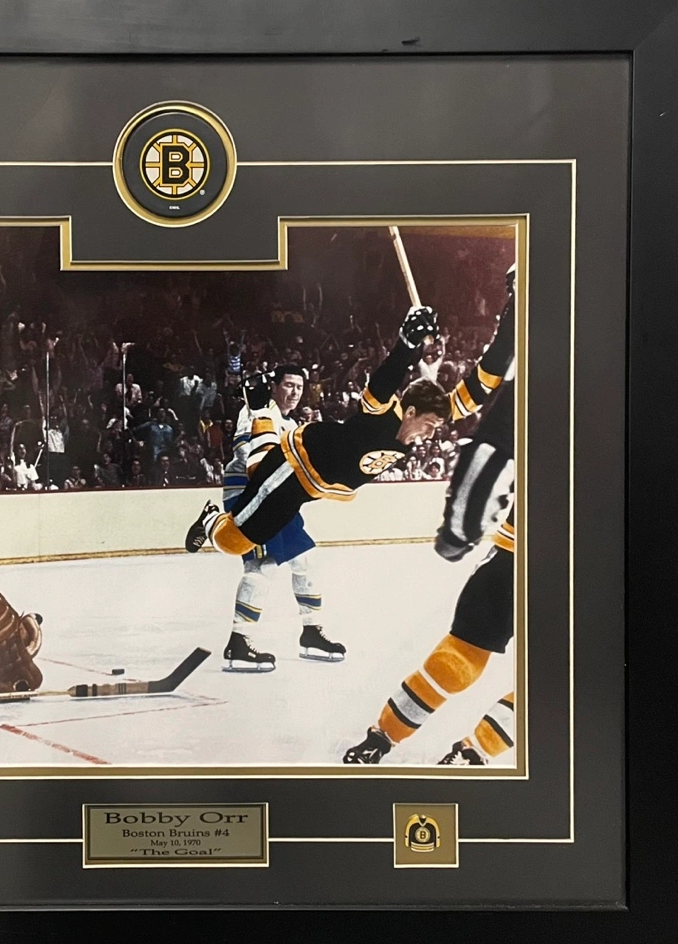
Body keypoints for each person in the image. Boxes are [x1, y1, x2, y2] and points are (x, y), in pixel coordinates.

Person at [342, 277, 516, 765]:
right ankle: (442, 747)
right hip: (560, 551)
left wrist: (459, 532)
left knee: (465, 660)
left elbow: (488, 440)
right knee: (557, 675)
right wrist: (423, 370)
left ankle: (430, 745)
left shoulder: (541, 366)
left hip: (530, 551)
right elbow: (463, 398)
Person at [185, 305, 448, 562]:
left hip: (310, 488)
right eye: (429, 425)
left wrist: (430, 371)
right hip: (297, 468)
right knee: (232, 541)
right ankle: (209, 516)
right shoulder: (385, 414)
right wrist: (406, 344)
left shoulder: (412, 431)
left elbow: (437, 405)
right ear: (410, 412)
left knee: (259, 470)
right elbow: (383, 383)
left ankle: (260, 410)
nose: (430, 434)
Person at [219, 364, 345, 673]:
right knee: (262, 565)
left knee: (305, 561)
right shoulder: (256, 411)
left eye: (299, 387)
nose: (294, 392)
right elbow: (249, 457)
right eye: (288, 385)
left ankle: (311, 632)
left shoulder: (290, 424)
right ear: (274, 387)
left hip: (277, 498)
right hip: (250, 495)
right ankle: (238, 642)